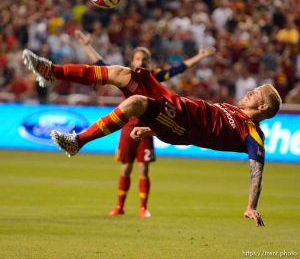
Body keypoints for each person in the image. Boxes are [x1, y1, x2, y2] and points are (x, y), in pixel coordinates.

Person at [22, 47, 282, 227]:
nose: (250, 91)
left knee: (135, 102)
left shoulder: (252, 133)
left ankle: (78, 141)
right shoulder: (234, 109)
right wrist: (151, 128)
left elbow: (256, 170)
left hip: (182, 124)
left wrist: (251, 205)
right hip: (177, 105)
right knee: (120, 73)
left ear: (262, 108)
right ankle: (52, 71)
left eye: (256, 93)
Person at [74, 30, 202, 218]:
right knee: (126, 168)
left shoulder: (152, 77)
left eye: (145, 60)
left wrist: (199, 56)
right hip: (127, 127)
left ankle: (143, 208)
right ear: (132, 61)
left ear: (149, 63)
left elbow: (176, 70)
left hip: (148, 129)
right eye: (138, 59)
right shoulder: (126, 76)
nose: (141, 63)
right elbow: (101, 65)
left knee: (144, 168)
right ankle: (119, 206)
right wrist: (87, 46)